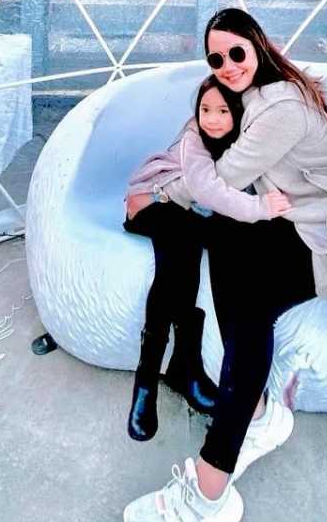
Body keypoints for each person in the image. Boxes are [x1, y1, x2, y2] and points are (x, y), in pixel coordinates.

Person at [123, 8, 327, 522]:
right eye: (215, 58)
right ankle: (261, 413)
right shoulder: (250, 93)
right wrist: (178, 171)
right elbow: (199, 139)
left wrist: (152, 196)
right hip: (300, 218)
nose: (226, 66)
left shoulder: (282, 107)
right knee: (224, 240)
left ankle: (209, 491)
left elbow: (218, 179)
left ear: (258, 45)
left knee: (246, 312)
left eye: (235, 53)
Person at [124, 75, 292, 441]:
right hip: (152, 202)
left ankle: (182, 368)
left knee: (194, 240)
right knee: (180, 240)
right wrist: (258, 207)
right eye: (204, 110)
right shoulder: (194, 139)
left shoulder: (249, 143)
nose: (211, 119)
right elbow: (197, 190)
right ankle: (150, 378)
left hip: (187, 213)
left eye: (222, 111)